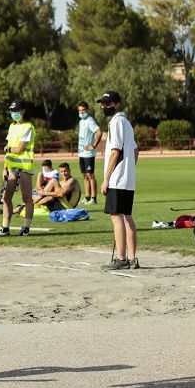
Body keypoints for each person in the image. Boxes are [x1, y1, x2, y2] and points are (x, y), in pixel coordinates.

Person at [99, 91, 139, 270]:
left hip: (117, 178)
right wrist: (129, 169)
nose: (104, 107)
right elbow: (136, 151)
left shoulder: (116, 122)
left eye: (108, 104)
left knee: (116, 217)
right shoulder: (128, 124)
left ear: (117, 105)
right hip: (128, 179)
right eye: (103, 104)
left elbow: (115, 151)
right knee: (127, 216)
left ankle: (121, 258)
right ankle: (132, 258)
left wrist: (106, 178)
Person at [0, 100, 35, 237]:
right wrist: (4, 168)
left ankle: (25, 228)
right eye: (12, 111)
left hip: (24, 167)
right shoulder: (12, 127)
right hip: (11, 167)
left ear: (23, 111)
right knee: (6, 197)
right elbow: (9, 149)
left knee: (26, 198)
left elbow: (19, 149)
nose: (13, 113)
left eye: (16, 111)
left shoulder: (28, 127)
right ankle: (5, 228)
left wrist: (8, 149)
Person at [77, 102, 103, 206]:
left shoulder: (90, 120)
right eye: (79, 110)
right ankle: (87, 197)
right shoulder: (81, 121)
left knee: (90, 175)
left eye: (83, 110)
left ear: (87, 110)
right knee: (84, 175)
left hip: (88, 154)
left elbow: (99, 132)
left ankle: (94, 198)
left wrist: (93, 145)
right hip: (81, 153)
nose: (81, 112)